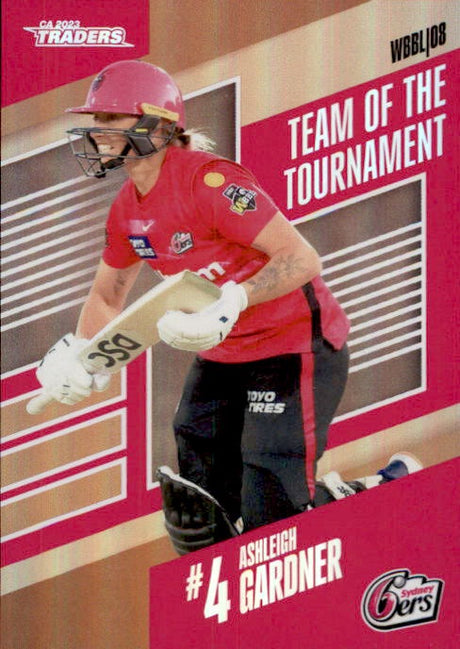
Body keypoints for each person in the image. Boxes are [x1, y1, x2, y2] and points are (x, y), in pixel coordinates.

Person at [34, 60, 421, 553]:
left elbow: (302, 258)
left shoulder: (210, 182)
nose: (96, 130)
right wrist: (85, 353)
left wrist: (233, 299)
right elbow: (106, 296)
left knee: (272, 522)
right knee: (200, 516)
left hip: (294, 347)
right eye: (96, 119)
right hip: (224, 356)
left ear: (158, 123)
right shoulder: (127, 209)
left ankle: (375, 491)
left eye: (111, 118)